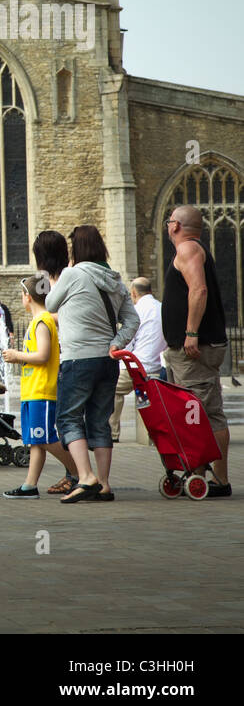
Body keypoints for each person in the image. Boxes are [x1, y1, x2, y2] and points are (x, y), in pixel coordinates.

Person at [45, 225, 139, 503]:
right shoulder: (116, 280)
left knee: (69, 417)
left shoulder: (72, 274)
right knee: (100, 421)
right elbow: (133, 320)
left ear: (76, 250)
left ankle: (86, 477)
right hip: (107, 360)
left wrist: (59, 276)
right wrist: (116, 342)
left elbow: (50, 303)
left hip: (78, 359)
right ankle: (105, 484)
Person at [162, 205, 231, 496]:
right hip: (196, 349)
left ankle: (218, 479)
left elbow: (198, 290)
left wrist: (191, 333)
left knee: (205, 412)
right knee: (198, 411)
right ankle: (201, 472)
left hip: (196, 349)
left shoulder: (187, 249)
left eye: (169, 222)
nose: (167, 226)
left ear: (176, 225)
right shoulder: (194, 248)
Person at [2, 276, 77, 497]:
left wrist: (16, 356)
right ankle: (29, 485)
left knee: (43, 438)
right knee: (36, 439)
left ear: (28, 296)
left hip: (41, 390)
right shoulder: (40, 320)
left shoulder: (42, 321)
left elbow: (42, 355)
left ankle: (79, 473)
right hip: (33, 390)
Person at [110, 277, 167, 444]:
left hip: (135, 366)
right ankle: (150, 435)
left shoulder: (136, 311)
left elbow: (127, 341)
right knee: (143, 395)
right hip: (155, 366)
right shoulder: (162, 308)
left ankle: (112, 433)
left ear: (133, 293)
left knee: (112, 389)